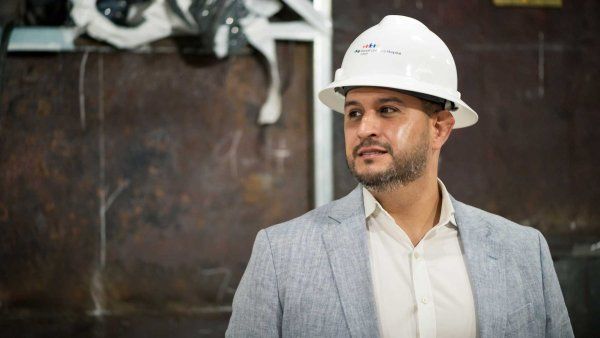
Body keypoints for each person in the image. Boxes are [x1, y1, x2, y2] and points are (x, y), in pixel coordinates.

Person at [226, 15, 573, 338]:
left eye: (387, 110)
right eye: (354, 113)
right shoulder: (282, 255)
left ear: (439, 127)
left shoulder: (523, 253)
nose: (364, 128)